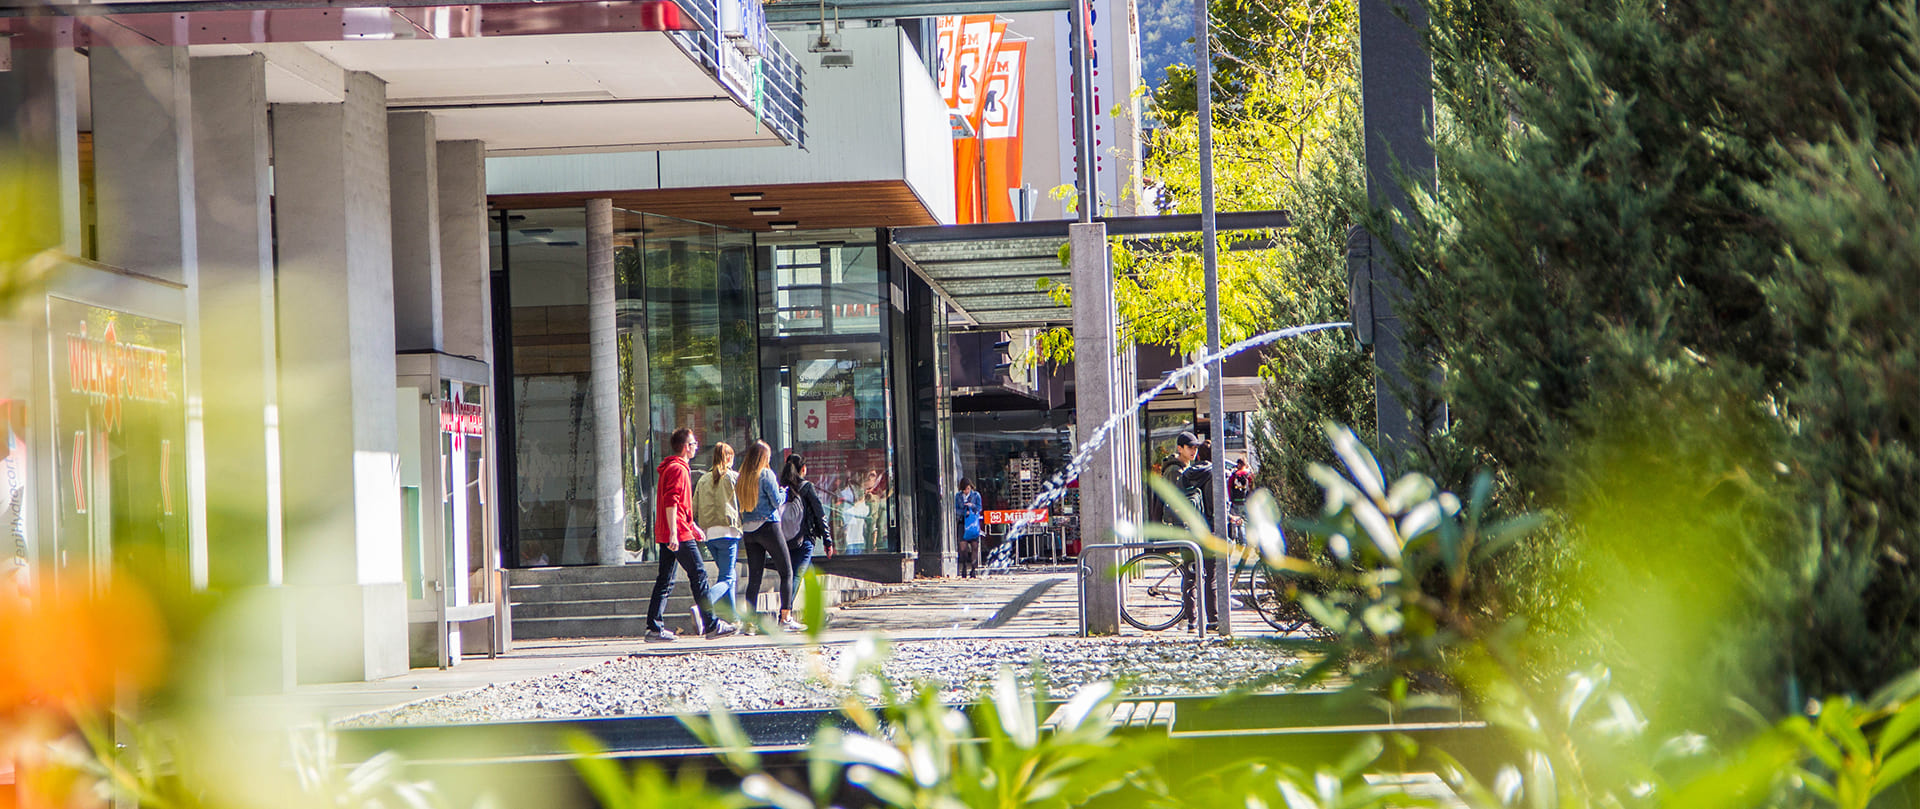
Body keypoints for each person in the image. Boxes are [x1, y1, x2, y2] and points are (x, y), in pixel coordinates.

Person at [644, 429, 738, 641]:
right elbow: (671, 502)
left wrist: (692, 525)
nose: (696, 446)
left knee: (665, 580)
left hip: (672, 531)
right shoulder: (678, 469)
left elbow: (677, 505)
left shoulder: (670, 467)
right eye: (694, 443)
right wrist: (676, 533)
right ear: (686, 447)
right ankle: (712, 624)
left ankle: (654, 626)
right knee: (699, 575)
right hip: (677, 533)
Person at [736, 440, 803, 633]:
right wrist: (783, 492)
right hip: (768, 526)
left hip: (749, 530)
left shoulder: (743, 477)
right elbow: (776, 501)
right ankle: (786, 617)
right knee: (787, 571)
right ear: (764, 458)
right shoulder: (766, 474)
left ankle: (750, 622)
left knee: (754, 577)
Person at [1173, 432, 1224, 631]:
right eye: (1190, 447)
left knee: (1190, 576)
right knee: (1210, 575)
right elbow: (1214, 505)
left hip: (1188, 531)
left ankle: (1192, 621)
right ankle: (1213, 621)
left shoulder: (1187, 473)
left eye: (1195, 448)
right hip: (1207, 531)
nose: (1193, 450)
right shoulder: (1213, 473)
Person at [694, 442, 742, 620]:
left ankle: (733, 617)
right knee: (727, 578)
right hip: (728, 532)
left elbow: (694, 507)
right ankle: (704, 605)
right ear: (728, 458)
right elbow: (744, 502)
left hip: (709, 534)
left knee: (728, 574)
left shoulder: (703, 479)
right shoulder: (733, 477)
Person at [779, 454, 832, 586]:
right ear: (803, 468)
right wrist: (827, 540)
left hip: (786, 537)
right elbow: (819, 513)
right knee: (797, 574)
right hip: (805, 537)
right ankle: (787, 605)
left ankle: (814, 604)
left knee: (807, 570)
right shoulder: (806, 487)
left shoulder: (782, 488)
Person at [955, 478, 984, 578]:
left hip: (972, 523)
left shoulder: (976, 495)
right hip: (963, 523)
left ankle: (973, 569)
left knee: (975, 546)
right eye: (964, 489)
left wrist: (972, 507)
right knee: (963, 548)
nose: (966, 491)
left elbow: (980, 508)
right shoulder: (958, 496)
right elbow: (956, 509)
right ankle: (963, 567)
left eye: (968, 489)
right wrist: (964, 511)